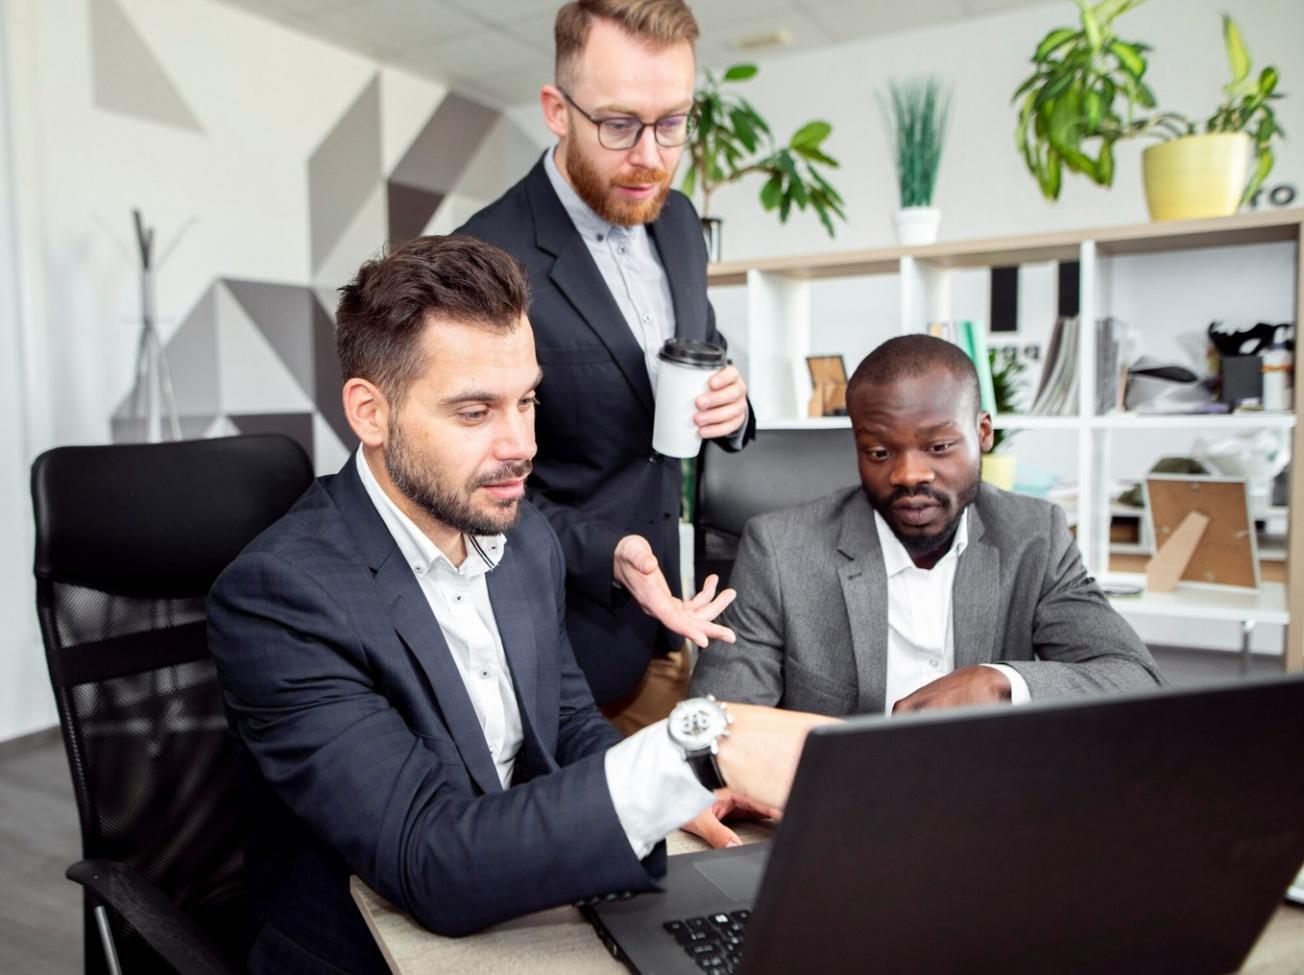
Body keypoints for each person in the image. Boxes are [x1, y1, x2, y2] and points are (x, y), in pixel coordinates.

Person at [207, 235, 829, 974]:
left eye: (528, 399)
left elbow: (566, 725)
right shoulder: (280, 598)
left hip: (521, 912)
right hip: (373, 949)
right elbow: (428, 859)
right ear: (371, 413)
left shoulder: (518, 530)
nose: (523, 445)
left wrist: (668, 798)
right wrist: (691, 753)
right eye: (476, 412)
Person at [457, 0, 754, 731]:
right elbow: (465, 487)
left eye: (674, 122)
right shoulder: (484, 259)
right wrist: (608, 554)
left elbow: (704, 345)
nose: (651, 156)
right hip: (559, 649)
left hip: (673, 622)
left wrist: (735, 409)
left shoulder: (680, 222)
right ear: (557, 110)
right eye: (619, 125)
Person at [690, 334, 1164, 716]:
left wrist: (1000, 683)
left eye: (938, 447)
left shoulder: (1034, 536)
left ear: (982, 434)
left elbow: (1134, 678)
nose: (907, 475)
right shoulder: (780, 550)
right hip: (841, 805)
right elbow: (715, 721)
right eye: (878, 452)